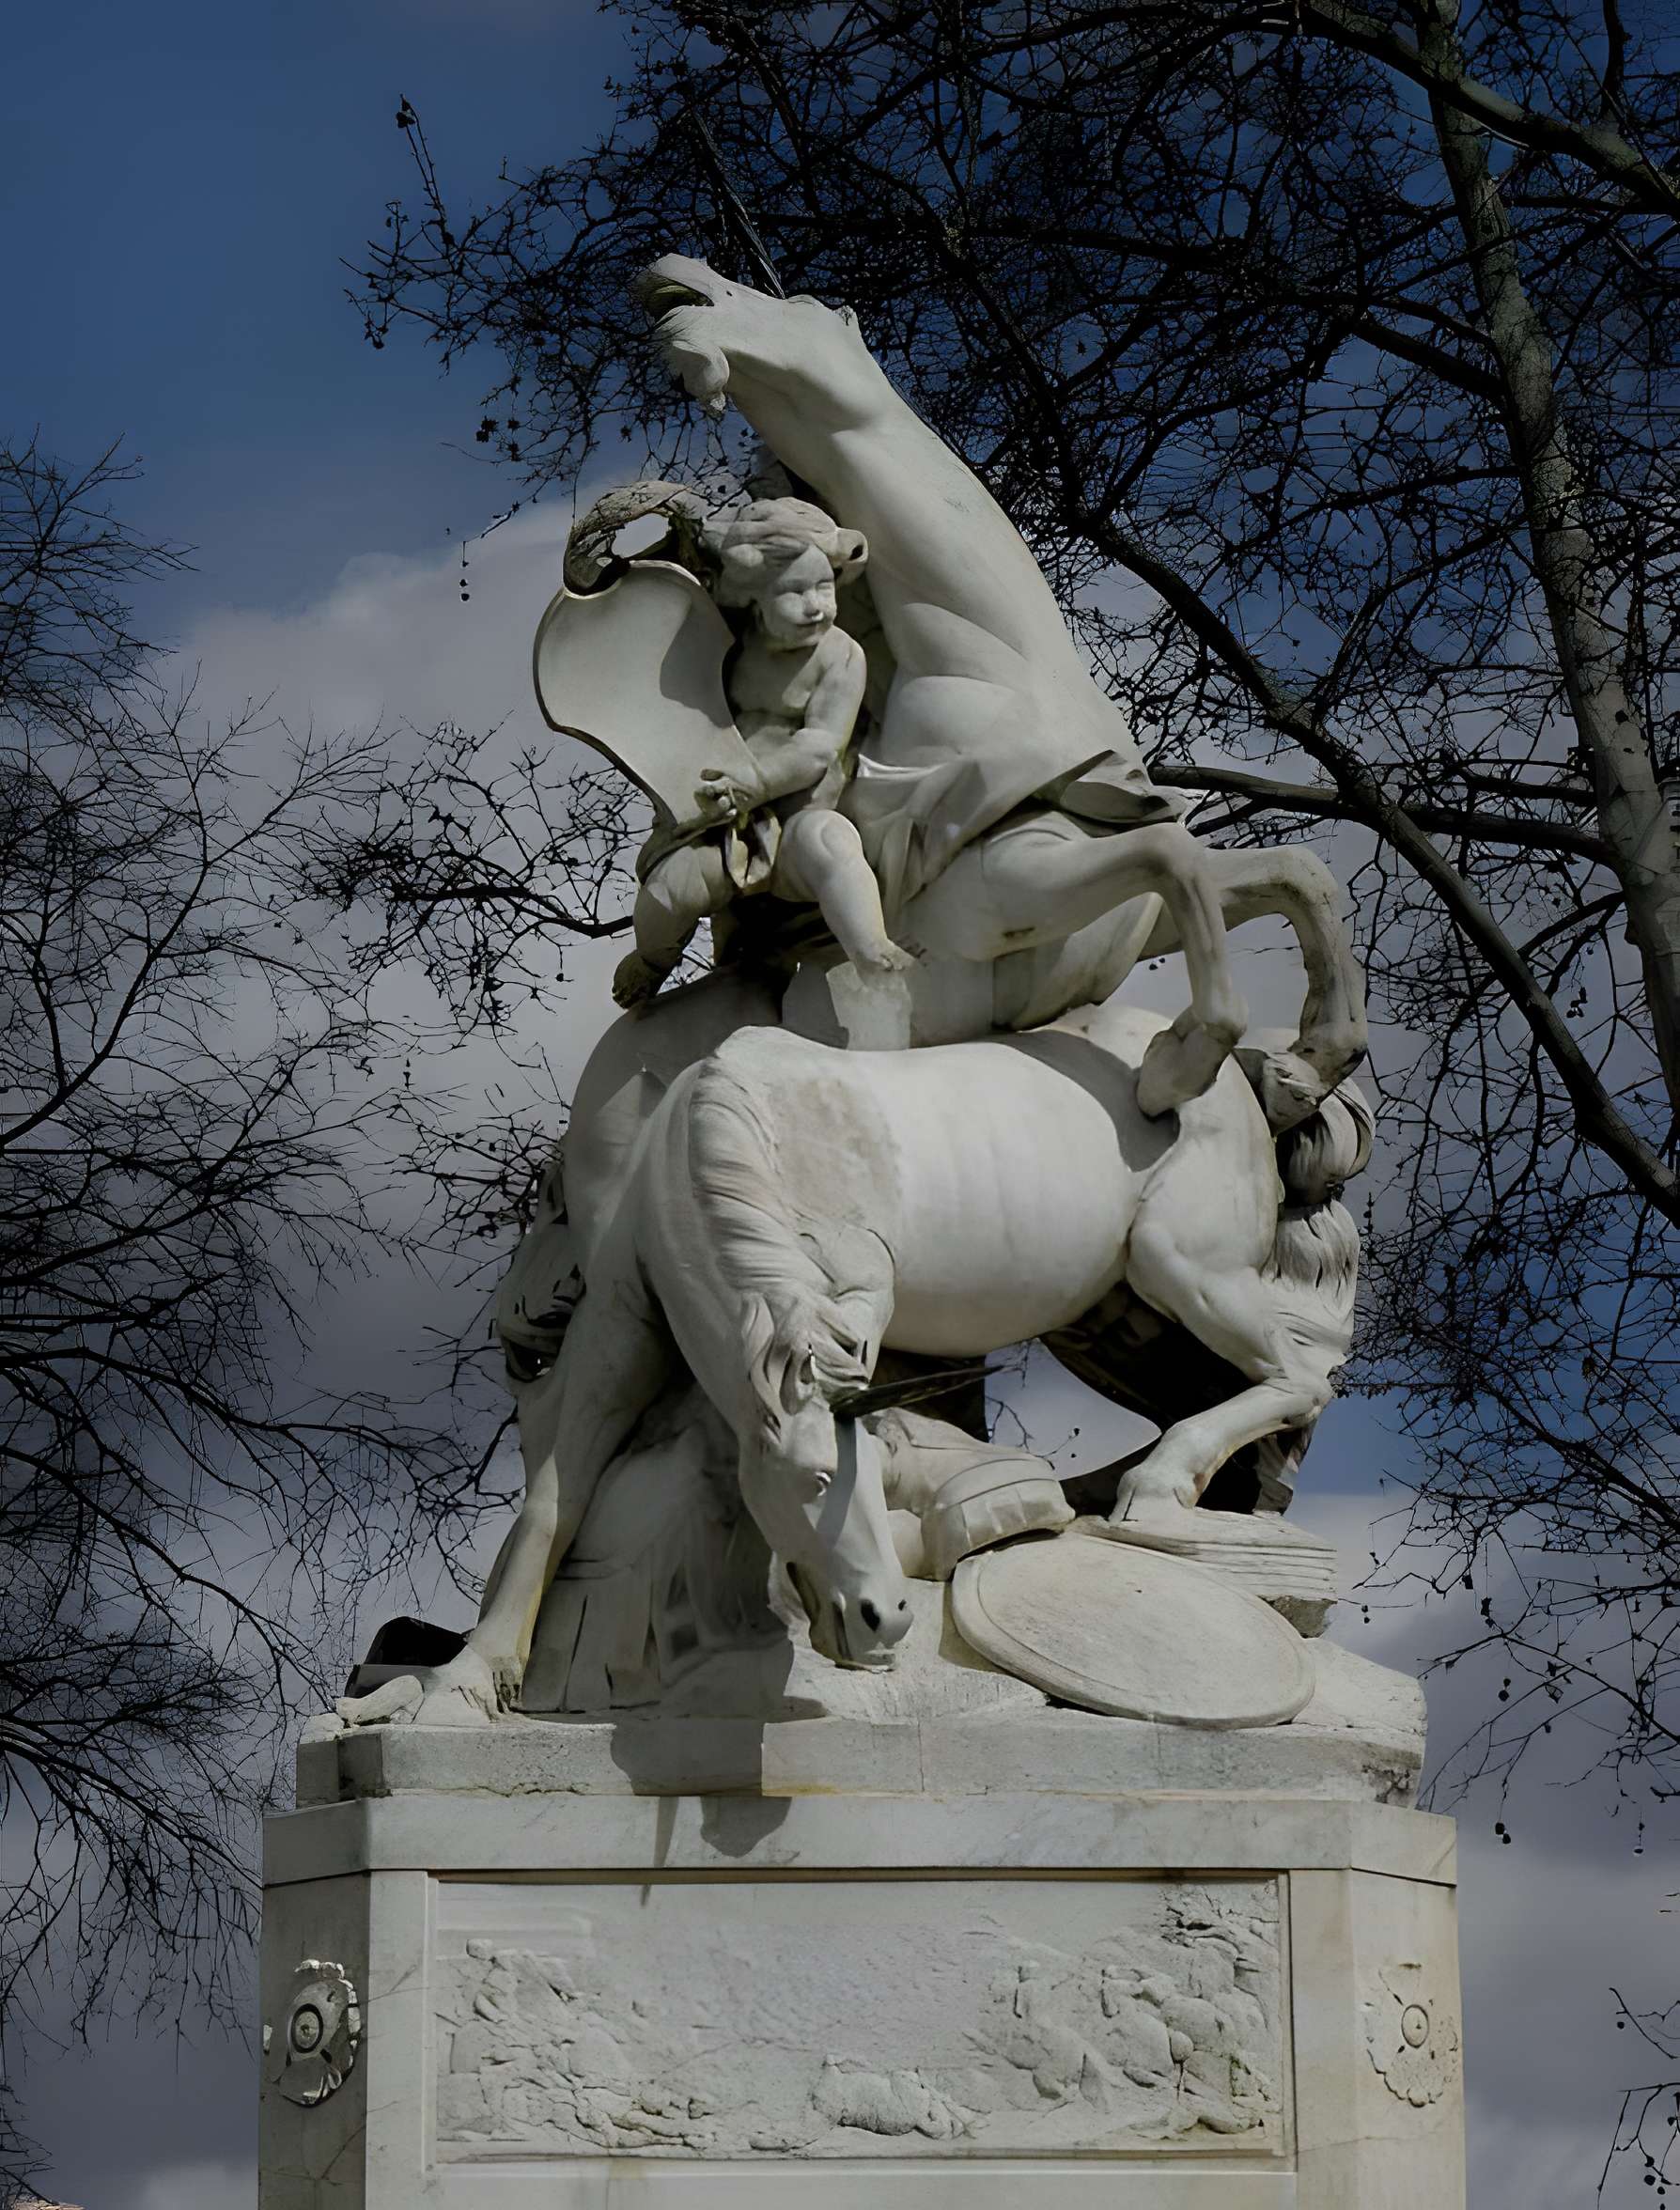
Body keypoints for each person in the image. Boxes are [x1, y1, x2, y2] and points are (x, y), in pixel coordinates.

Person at [610, 498, 914, 1009]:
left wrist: (756, 782)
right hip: (720, 822)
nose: (815, 605)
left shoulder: (841, 655)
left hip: (797, 813)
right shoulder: (725, 643)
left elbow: (820, 745)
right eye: (794, 592)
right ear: (753, 595)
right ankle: (652, 960)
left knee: (834, 845)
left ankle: (872, 952)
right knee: (669, 892)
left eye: (824, 587)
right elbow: (685, 715)